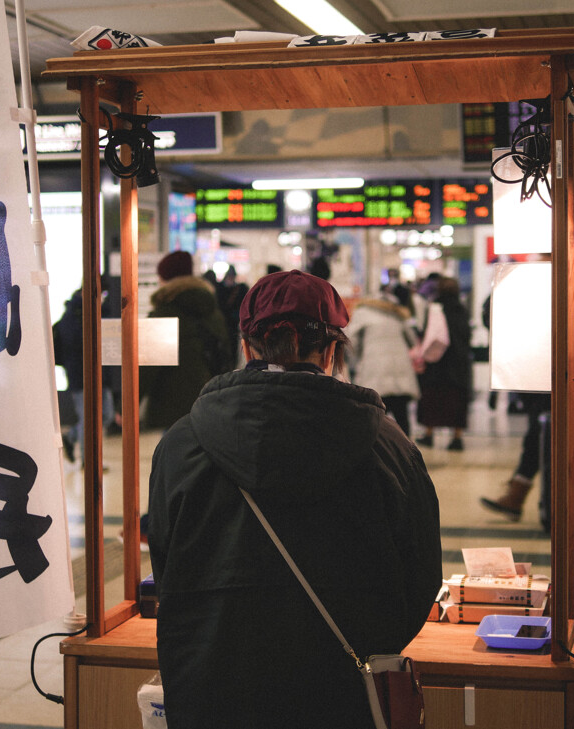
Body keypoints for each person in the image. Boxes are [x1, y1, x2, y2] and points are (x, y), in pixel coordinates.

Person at [147, 269, 441, 729]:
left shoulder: (183, 442)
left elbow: (165, 566)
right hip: (343, 691)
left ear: (247, 346)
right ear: (331, 350)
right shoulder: (388, 445)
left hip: (211, 686)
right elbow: (421, 575)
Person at [140, 250, 231, 430]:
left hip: (171, 403)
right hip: (209, 398)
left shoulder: (163, 313)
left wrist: (127, 404)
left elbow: (148, 365)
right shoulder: (212, 311)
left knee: (171, 453)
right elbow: (225, 353)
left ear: (166, 279)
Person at [345, 286, 419, 436]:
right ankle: (406, 451)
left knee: (375, 414)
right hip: (399, 370)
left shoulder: (361, 313)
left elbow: (351, 340)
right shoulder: (396, 312)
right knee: (402, 415)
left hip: (375, 370)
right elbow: (412, 340)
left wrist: (359, 357)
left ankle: (378, 451)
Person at [54, 287, 116, 463]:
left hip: (102, 376)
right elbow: (76, 343)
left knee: (107, 414)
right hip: (81, 378)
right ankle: (89, 462)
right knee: (88, 419)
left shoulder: (102, 314)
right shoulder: (72, 315)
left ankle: (71, 436)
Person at [415, 276, 472, 451]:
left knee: (433, 399)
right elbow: (466, 335)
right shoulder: (462, 310)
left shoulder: (435, 309)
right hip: (459, 364)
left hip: (437, 364)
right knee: (457, 400)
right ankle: (457, 438)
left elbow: (427, 334)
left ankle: (429, 434)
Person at [479, 391, 551, 520]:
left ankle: (515, 498)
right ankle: (515, 498)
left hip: (552, 393)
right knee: (535, 443)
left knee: (535, 442)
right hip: (543, 394)